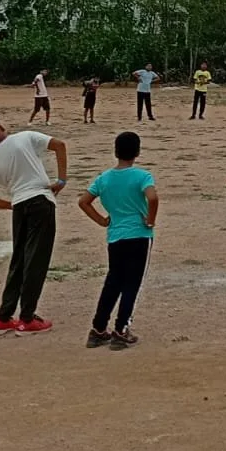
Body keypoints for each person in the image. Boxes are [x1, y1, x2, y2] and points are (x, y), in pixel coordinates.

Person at [0, 116, 68, 336]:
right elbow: (59, 145)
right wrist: (61, 180)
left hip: (19, 204)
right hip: (40, 200)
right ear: (0, 127)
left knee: (19, 259)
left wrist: (9, 204)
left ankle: (4, 317)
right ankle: (27, 317)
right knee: (36, 259)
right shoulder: (24, 137)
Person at [79, 131, 157, 349]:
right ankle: (121, 329)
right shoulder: (142, 176)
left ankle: (98, 328)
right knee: (132, 283)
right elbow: (153, 197)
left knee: (113, 281)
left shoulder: (104, 179)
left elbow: (84, 201)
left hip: (116, 236)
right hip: (139, 235)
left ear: (115, 152)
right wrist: (150, 220)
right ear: (137, 152)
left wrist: (102, 220)